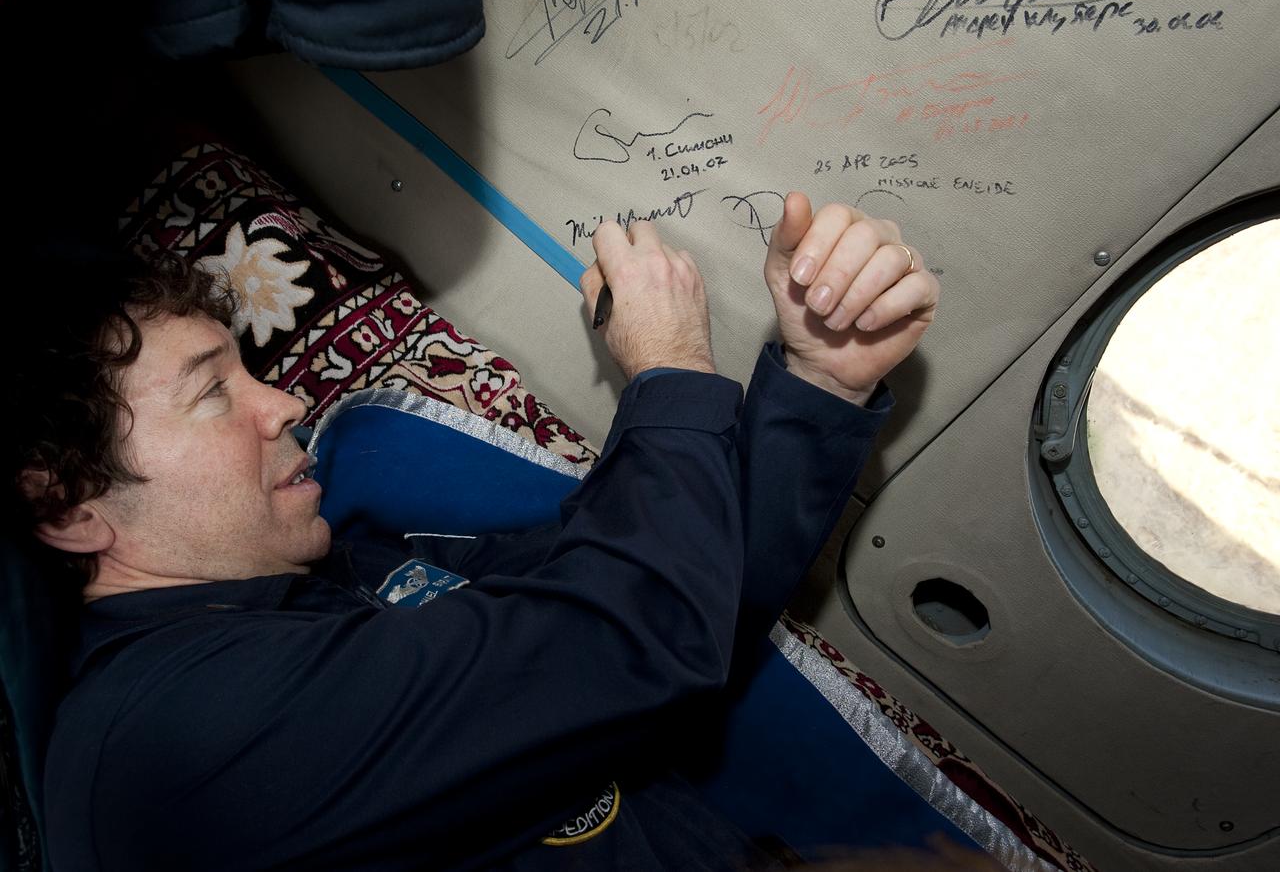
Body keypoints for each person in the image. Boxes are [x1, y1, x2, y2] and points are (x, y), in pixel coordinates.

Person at [16, 191, 940, 870]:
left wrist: (823, 382)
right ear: (71, 506)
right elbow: (637, 633)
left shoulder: (331, 573)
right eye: (214, 391)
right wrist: (669, 370)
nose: (283, 402)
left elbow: (672, 591)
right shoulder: (156, 746)